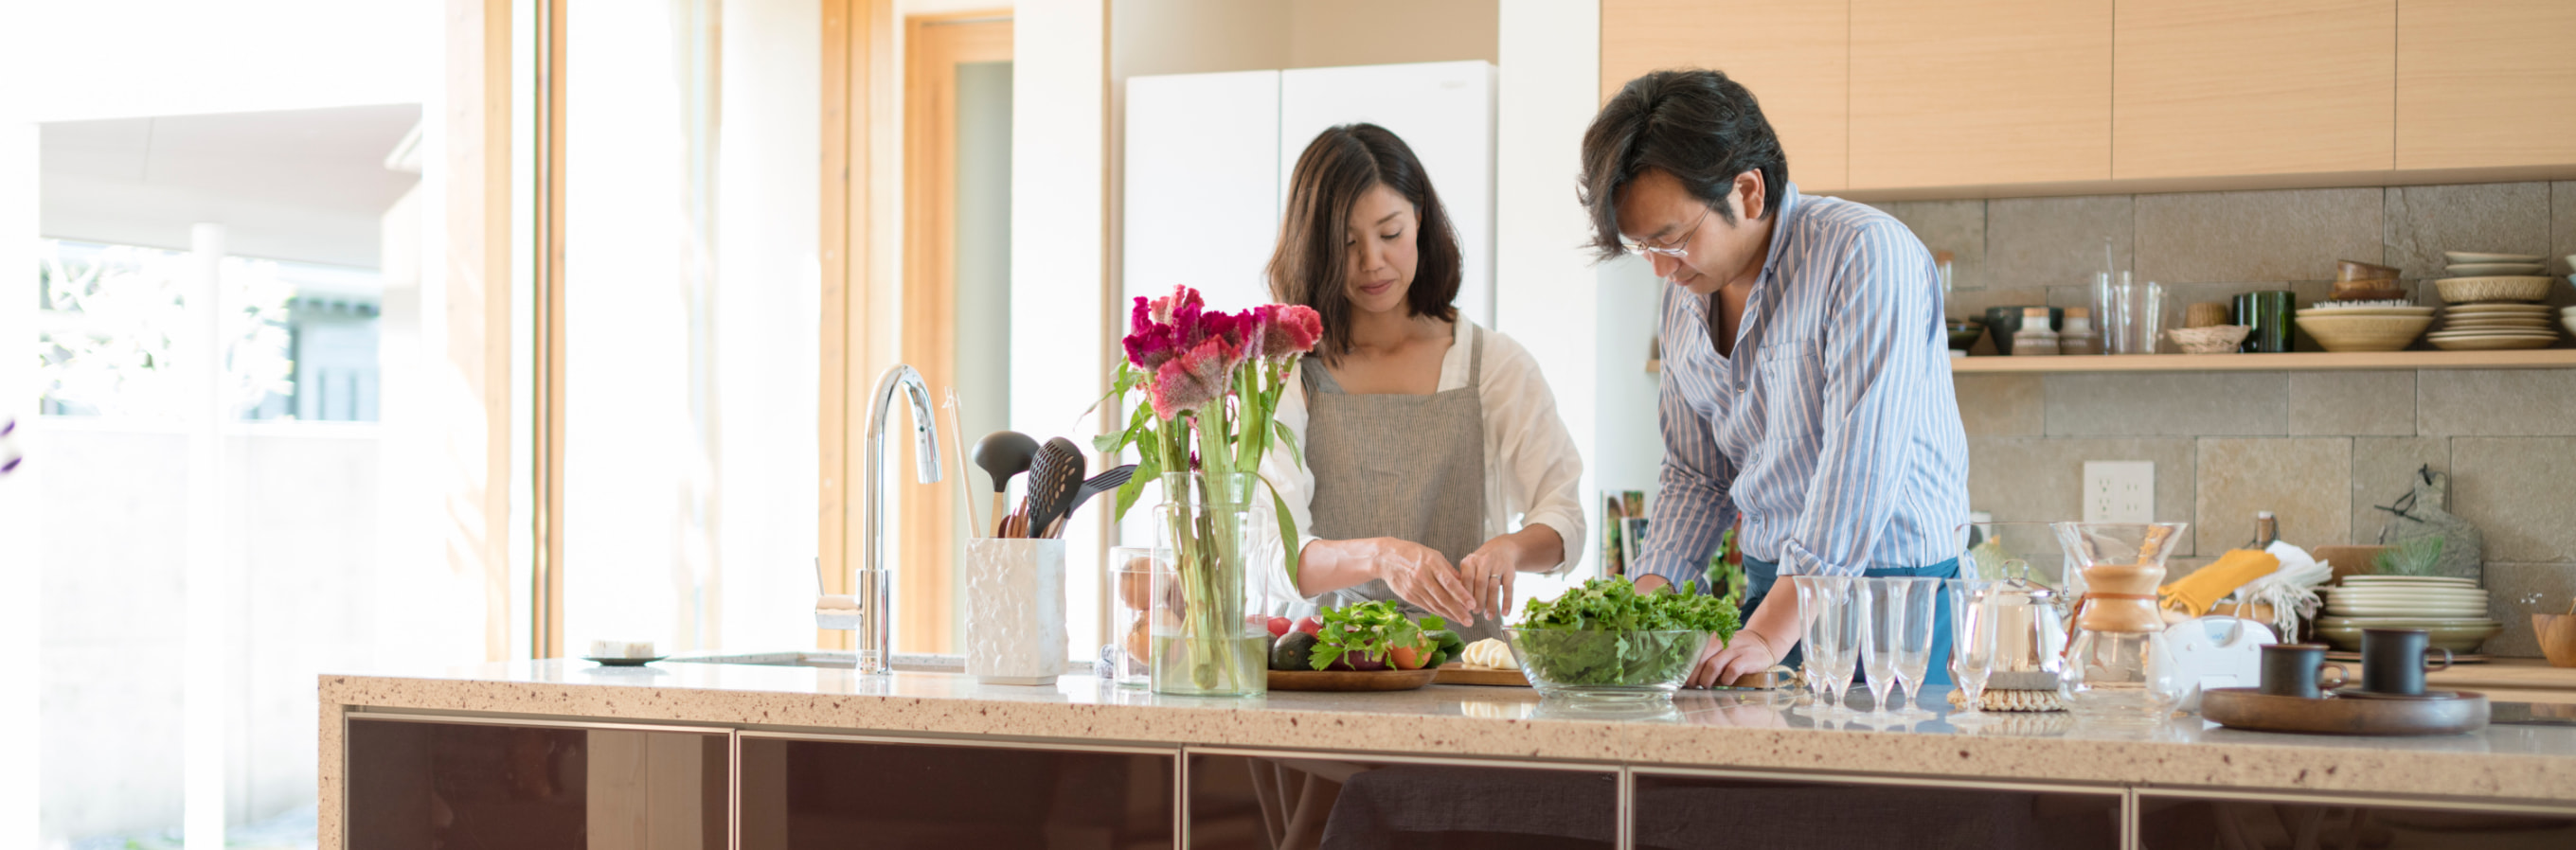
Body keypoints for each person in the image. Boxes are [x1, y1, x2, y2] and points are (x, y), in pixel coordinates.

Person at [1579, 70, 1969, 688]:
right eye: (1639, 247)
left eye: (1671, 238)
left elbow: (1858, 467)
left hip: (1894, 599)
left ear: (1748, 191)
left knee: (1896, 785)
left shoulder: (1865, 255)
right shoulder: (1685, 292)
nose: (1657, 268)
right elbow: (1695, 472)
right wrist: (1652, 593)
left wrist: (1768, 632)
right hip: (1771, 587)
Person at [1259, 123, 1585, 644]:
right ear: (1313, 249)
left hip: (1464, 679)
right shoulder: (1285, 373)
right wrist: (1382, 556)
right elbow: (1269, 553)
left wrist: (1512, 548)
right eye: (1346, 243)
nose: (1372, 262)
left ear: (1421, 221)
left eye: (1390, 234)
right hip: (1319, 671)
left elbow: (1564, 516)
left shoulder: (1494, 364)